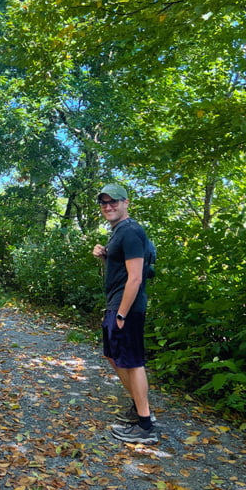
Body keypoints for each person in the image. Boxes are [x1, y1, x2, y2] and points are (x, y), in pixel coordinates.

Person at [92, 183, 158, 444]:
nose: (108, 206)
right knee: (114, 356)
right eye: (104, 203)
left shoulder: (130, 231)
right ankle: (140, 407)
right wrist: (106, 257)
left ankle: (145, 425)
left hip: (126, 307)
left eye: (114, 201)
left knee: (132, 361)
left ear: (126, 202)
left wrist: (120, 314)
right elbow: (122, 270)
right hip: (117, 304)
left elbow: (135, 278)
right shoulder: (119, 232)